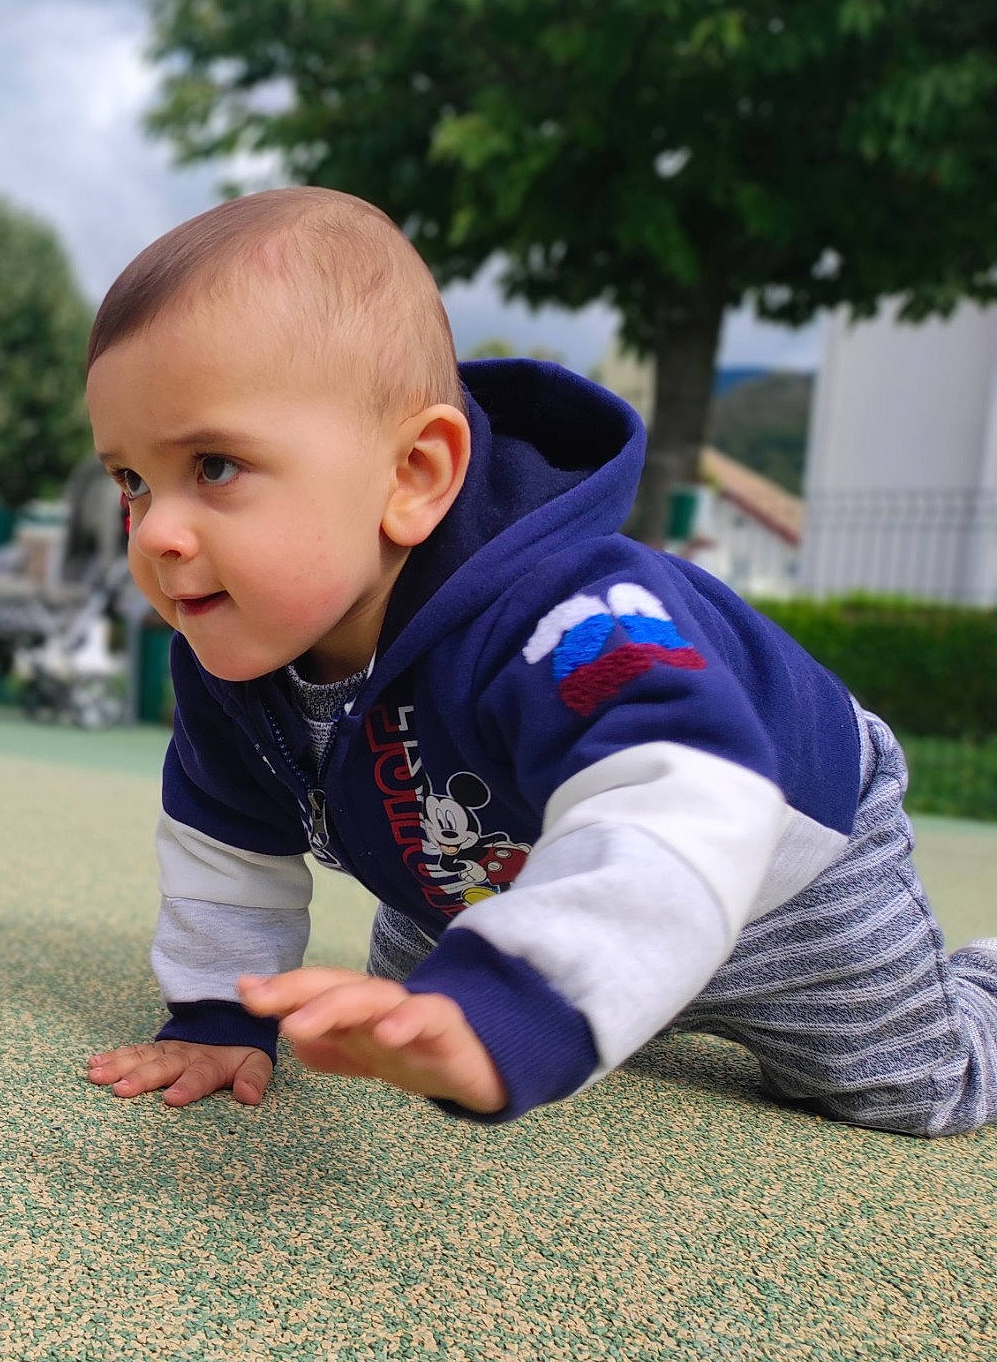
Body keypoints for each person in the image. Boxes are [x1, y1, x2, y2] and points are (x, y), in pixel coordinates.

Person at [82, 187, 996, 1136]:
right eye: (133, 481)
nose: (158, 533)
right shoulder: (235, 651)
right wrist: (222, 1014)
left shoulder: (568, 612)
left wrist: (518, 1001)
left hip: (778, 865)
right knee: (406, 1018)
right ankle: (593, 973)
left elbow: (683, 790)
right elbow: (225, 834)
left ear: (414, 476)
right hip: (481, 867)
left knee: (914, 1088)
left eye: (216, 467)